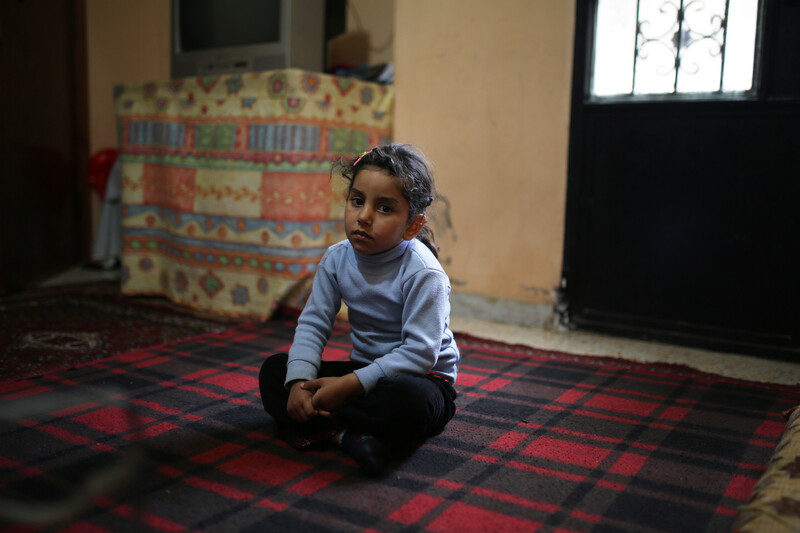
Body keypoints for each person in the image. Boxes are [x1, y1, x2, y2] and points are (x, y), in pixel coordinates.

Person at [259, 143, 460, 475]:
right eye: (357, 201)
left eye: (384, 208)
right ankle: (348, 434)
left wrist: (347, 386)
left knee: (411, 403)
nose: (364, 216)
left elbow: (420, 354)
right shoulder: (337, 259)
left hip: (422, 379)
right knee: (275, 372)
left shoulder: (424, 272)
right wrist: (299, 382)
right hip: (363, 370)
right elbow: (312, 324)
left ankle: (324, 426)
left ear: (412, 225)